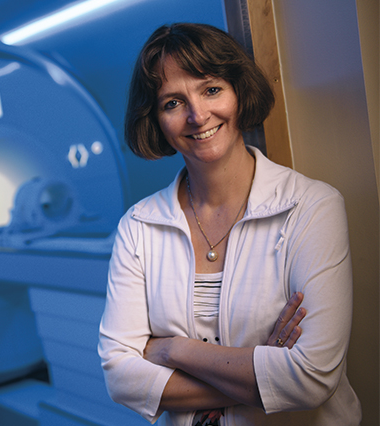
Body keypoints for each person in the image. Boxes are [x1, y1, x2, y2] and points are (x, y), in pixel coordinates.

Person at [98, 23, 361, 425]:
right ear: (156, 120)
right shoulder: (138, 227)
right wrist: (266, 371)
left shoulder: (311, 207)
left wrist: (172, 352)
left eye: (211, 89)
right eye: (172, 103)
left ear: (238, 92)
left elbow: (311, 379)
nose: (197, 115)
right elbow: (120, 378)